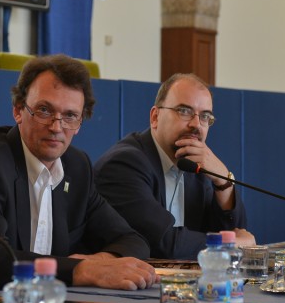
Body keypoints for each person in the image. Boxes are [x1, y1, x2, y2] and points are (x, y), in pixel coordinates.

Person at [0, 54, 157, 303]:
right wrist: (81, 269)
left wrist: (99, 262)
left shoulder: (76, 167)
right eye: (44, 111)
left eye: (70, 116)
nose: (56, 127)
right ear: (18, 110)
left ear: (80, 123)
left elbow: (133, 241)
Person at [94, 73, 256, 260]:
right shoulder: (123, 165)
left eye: (205, 116)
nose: (196, 124)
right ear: (155, 117)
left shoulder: (195, 164)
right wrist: (232, 244)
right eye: (184, 111)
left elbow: (237, 231)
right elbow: (164, 244)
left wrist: (223, 181)